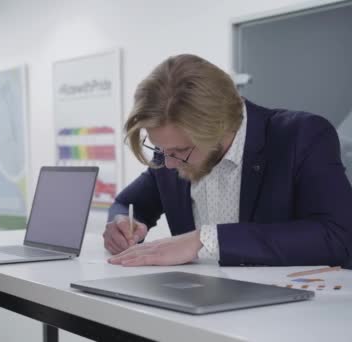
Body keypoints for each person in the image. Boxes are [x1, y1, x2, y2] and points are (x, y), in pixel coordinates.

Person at [104, 54, 352, 267]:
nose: (167, 164)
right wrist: (121, 223)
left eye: (180, 151)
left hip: (290, 310)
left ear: (220, 128)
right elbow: (127, 203)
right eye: (159, 148)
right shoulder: (172, 150)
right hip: (194, 304)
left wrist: (205, 239)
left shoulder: (300, 137)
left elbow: (336, 236)